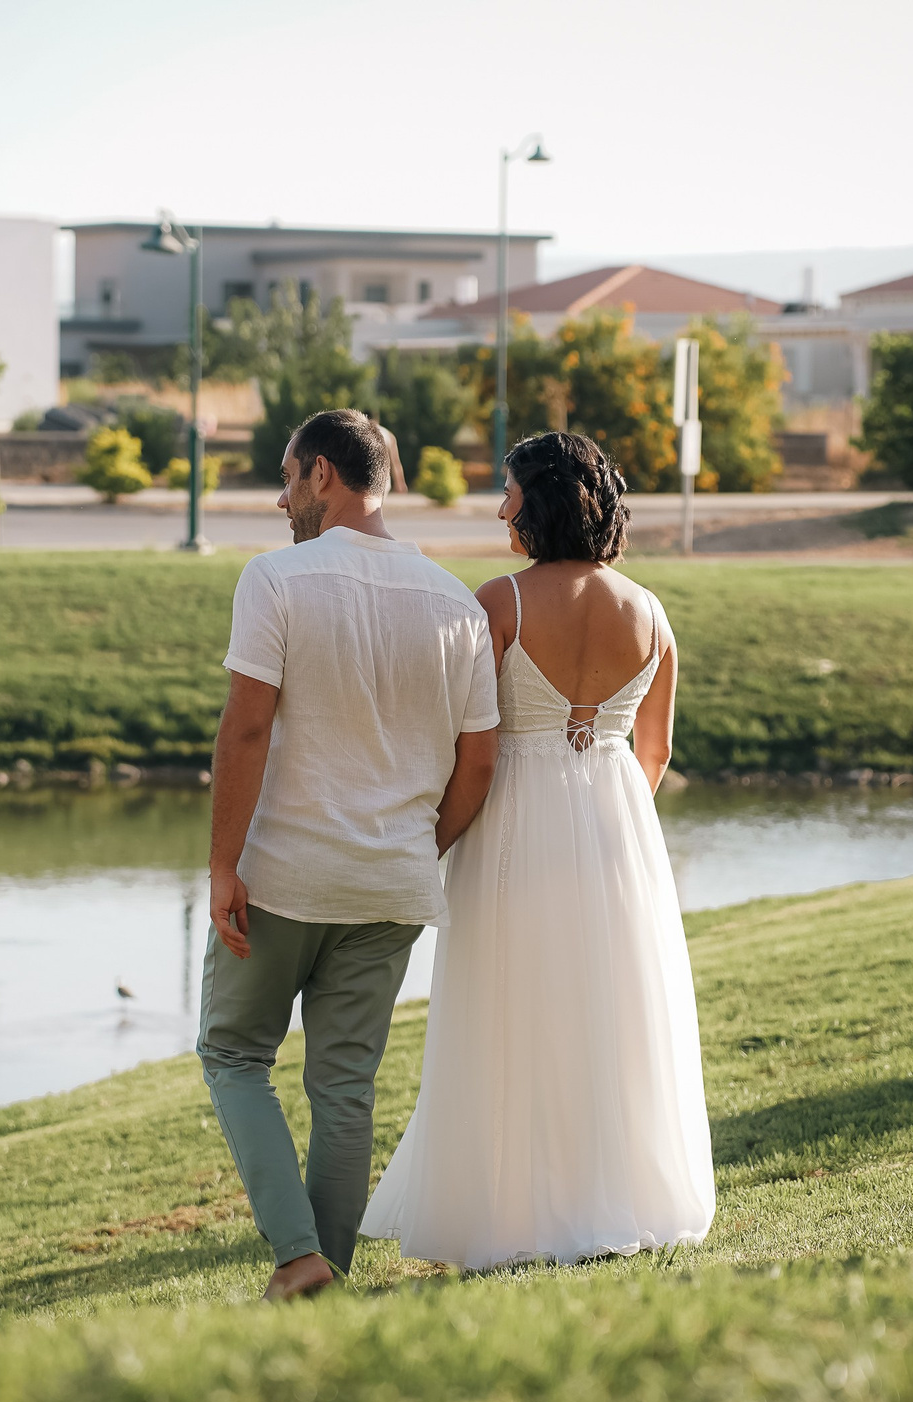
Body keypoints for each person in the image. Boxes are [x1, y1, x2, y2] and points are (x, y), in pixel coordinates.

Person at [363, 430, 714, 1271]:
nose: (499, 507)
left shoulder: (499, 603)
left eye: (509, 491)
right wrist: (605, 808)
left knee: (509, 1004)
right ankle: (614, 1189)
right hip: (616, 825)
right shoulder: (652, 611)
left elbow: (464, 741)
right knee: (609, 1008)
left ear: (541, 500)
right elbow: (654, 751)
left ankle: (511, 1205)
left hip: (512, 818)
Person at [200, 408, 501, 1302]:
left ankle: (298, 1255)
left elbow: (246, 728)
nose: (281, 498)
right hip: (393, 885)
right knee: (344, 1087)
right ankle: (325, 1271)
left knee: (233, 1055)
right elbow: (477, 763)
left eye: (289, 477)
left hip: (282, 875)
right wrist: (417, 845)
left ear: (324, 475)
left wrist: (223, 866)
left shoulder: (276, 579)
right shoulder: (458, 602)